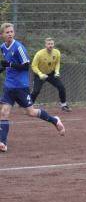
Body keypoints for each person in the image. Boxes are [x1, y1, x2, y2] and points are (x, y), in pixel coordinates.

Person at [0, 23, 65, 153]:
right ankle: (3, 143)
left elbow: (26, 66)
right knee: (4, 113)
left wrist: (10, 64)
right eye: (7, 32)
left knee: (31, 112)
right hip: (9, 86)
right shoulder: (2, 47)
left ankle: (54, 120)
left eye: (12, 32)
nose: (10, 34)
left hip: (21, 87)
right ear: (1, 35)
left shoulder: (19, 48)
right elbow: (5, 65)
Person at [31, 37, 71, 113]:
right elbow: (33, 66)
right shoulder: (39, 54)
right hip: (40, 75)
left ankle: (64, 105)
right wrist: (40, 74)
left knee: (61, 87)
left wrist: (57, 72)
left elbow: (57, 63)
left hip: (51, 74)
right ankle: (28, 106)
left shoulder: (57, 52)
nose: (50, 45)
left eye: (52, 44)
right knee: (35, 91)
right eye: (49, 44)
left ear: (54, 44)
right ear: (45, 45)